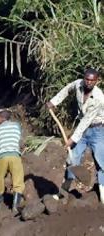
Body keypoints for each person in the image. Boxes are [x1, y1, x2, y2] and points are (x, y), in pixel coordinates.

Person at [46, 68, 104, 203]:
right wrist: (54, 102)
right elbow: (67, 89)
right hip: (83, 131)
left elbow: (86, 120)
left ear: (96, 81)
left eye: (92, 80)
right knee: (72, 160)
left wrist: (72, 138)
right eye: (87, 79)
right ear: (84, 78)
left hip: (97, 130)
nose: (88, 82)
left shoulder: (99, 98)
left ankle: (102, 194)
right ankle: (63, 192)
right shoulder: (78, 84)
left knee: (101, 162)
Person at [0, 109, 24, 212]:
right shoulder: (17, 125)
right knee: (18, 181)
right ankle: (15, 206)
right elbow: (19, 139)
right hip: (15, 156)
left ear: (2, 118)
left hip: (1, 157)